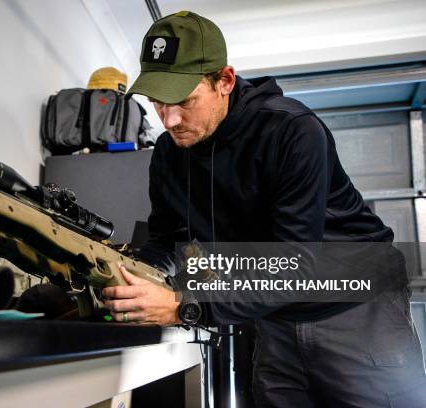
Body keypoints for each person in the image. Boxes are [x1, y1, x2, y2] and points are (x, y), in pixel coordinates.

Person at [102, 10, 426, 407]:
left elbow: (296, 263)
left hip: (354, 304)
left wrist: (183, 306)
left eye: (184, 101)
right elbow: (171, 242)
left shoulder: (292, 131)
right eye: (157, 102)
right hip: (274, 312)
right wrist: (127, 275)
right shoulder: (169, 154)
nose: (169, 119)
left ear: (224, 81)